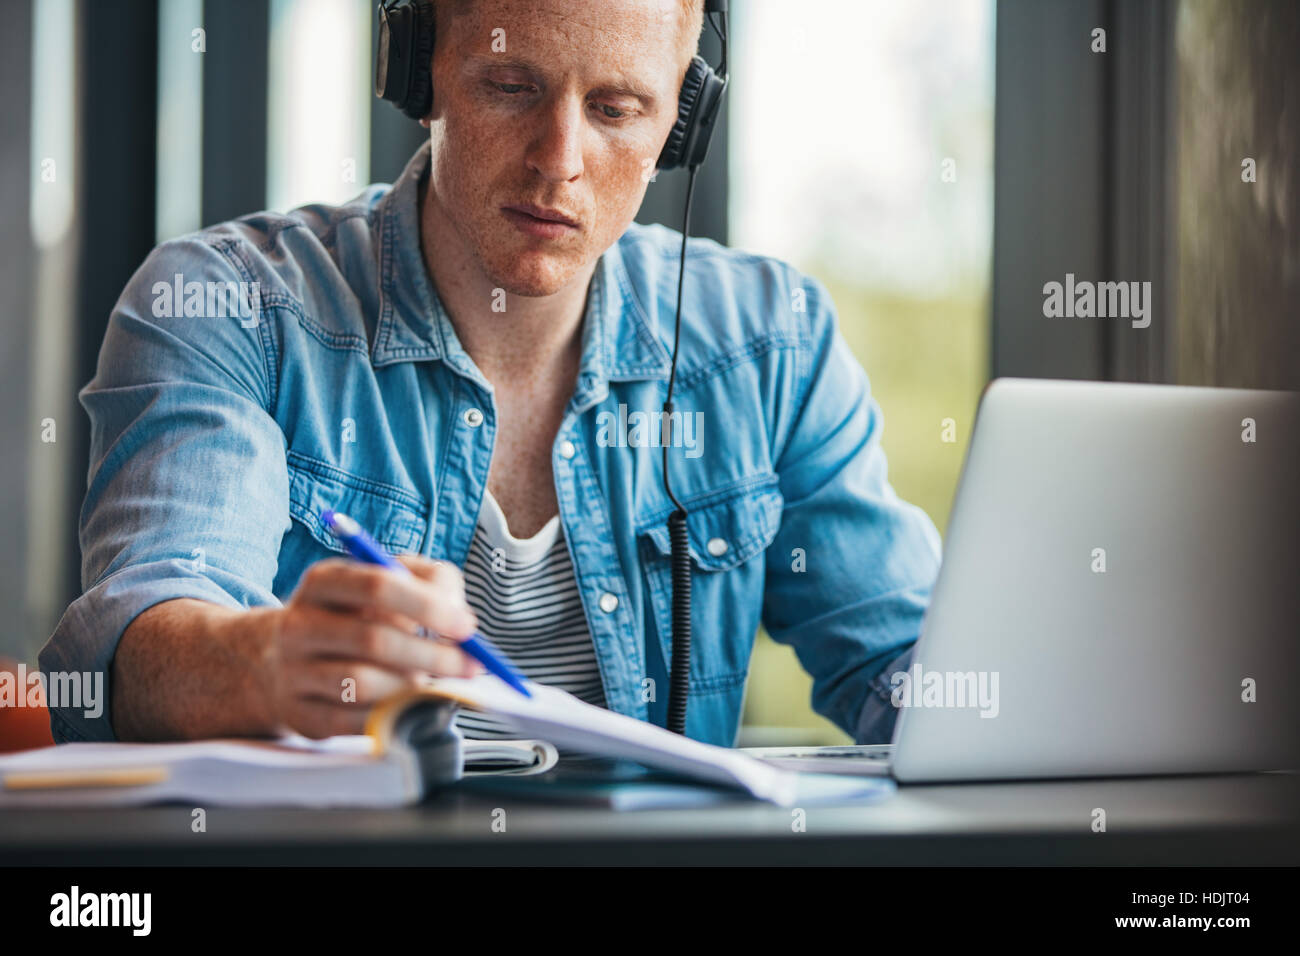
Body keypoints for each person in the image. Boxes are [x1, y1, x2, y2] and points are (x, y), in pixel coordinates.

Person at [40, 0, 941, 748]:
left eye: (618, 108)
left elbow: (909, 669)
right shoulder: (228, 307)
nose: (560, 160)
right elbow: (131, 651)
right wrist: (265, 659)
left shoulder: (769, 344)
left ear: (682, 117)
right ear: (419, 70)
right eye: (512, 87)